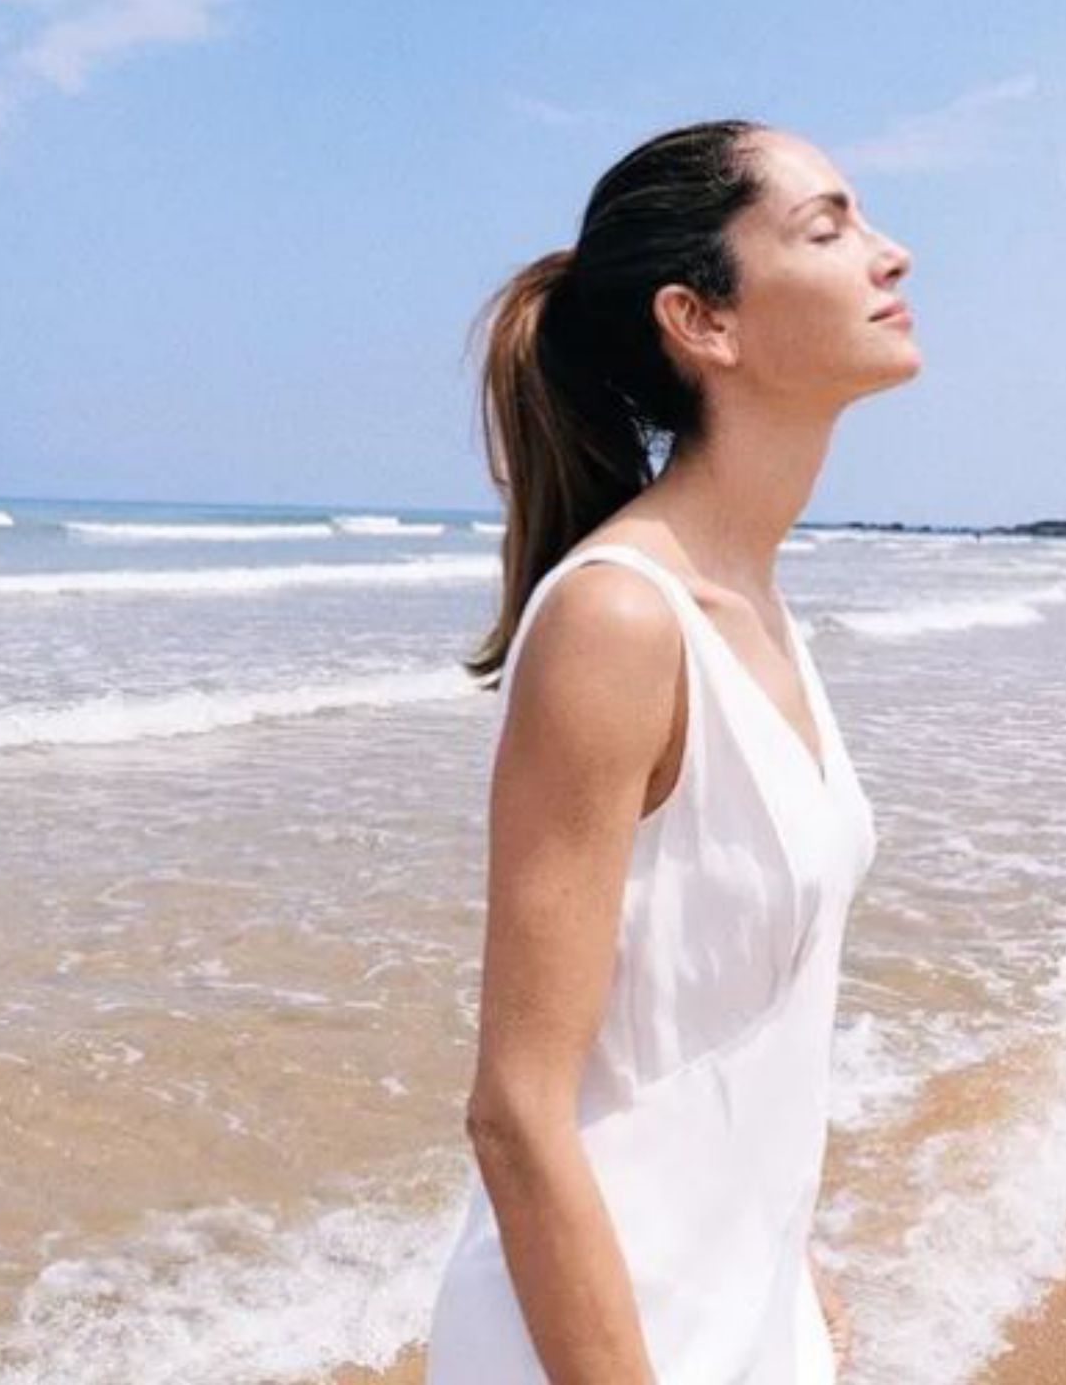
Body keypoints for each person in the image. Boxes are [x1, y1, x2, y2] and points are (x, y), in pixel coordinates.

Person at [425, 119, 918, 1383]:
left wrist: (787, 1274)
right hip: (600, 1340)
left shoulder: (749, 599)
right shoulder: (619, 618)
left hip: (730, 1317)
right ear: (702, 321)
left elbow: (727, 1025)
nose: (890, 254)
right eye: (830, 227)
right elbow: (516, 1110)